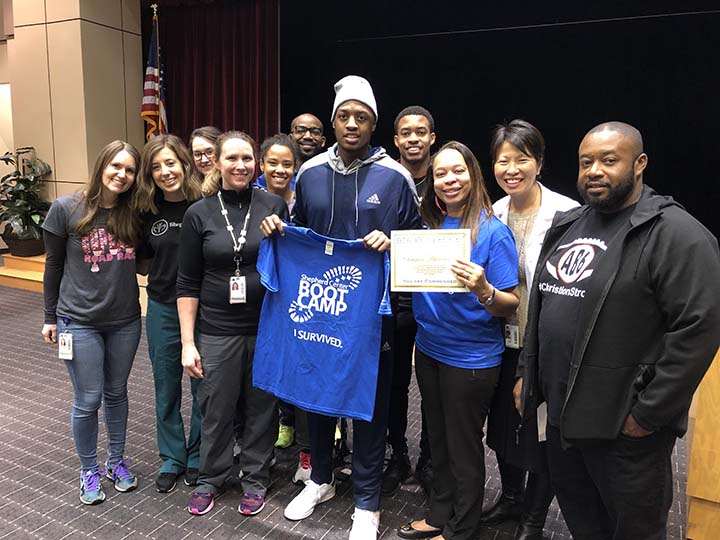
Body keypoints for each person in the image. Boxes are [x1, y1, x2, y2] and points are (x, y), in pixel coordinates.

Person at [514, 122, 720, 540]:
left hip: (624, 434)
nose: (594, 171)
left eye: (609, 161)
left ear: (639, 163)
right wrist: (526, 372)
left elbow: (699, 328)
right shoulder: (569, 224)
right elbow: (541, 305)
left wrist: (647, 415)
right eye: (586, 161)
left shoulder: (677, 235)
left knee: (633, 531)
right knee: (584, 523)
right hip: (561, 422)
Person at [260, 75, 422, 540]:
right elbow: (297, 236)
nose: (352, 124)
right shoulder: (309, 174)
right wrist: (277, 228)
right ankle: (321, 480)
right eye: (344, 116)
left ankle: (367, 502)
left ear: (374, 125)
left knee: (369, 404)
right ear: (333, 121)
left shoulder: (396, 178)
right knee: (319, 397)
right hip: (319, 309)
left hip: (374, 316)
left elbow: (416, 245)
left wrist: (394, 244)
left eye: (362, 118)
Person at [397, 141, 519, 540]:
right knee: (440, 441)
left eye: (458, 171)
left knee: (465, 449)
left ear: (473, 174)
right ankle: (438, 515)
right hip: (429, 350)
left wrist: (483, 288)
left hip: (471, 359)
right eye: (441, 173)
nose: (449, 180)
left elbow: (509, 304)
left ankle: (461, 530)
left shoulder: (492, 232)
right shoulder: (428, 227)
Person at [177, 131, 289, 517]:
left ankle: (255, 478)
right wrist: (188, 342)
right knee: (215, 408)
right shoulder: (199, 213)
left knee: (261, 408)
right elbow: (187, 283)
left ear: (255, 163)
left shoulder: (274, 204)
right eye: (232, 159)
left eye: (247, 159)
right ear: (218, 163)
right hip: (216, 329)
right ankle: (211, 477)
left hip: (265, 327)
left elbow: (287, 266)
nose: (240, 166)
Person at [482, 120, 579, 540]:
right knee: (504, 424)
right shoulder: (491, 212)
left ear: (538, 162)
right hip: (499, 339)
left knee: (542, 432)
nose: (512, 168)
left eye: (522, 158)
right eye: (503, 160)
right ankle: (511, 498)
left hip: (545, 345)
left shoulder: (569, 214)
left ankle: (534, 518)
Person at [41, 140, 142, 505]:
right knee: (88, 398)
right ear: (101, 165)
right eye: (116, 166)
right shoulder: (66, 208)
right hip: (78, 320)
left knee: (117, 392)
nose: (122, 175)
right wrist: (49, 317)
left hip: (125, 320)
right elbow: (53, 266)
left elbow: (148, 259)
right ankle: (89, 469)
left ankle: (116, 461)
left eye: (130, 170)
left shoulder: (134, 213)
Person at [134, 134, 204, 493]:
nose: (165, 172)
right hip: (161, 306)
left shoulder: (204, 204)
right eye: (156, 166)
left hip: (203, 310)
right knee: (166, 385)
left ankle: (196, 455)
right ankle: (172, 456)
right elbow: (143, 263)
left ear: (184, 163)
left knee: (202, 386)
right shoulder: (147, 210)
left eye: (170, 163)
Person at [382, 105, 437, 496]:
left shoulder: (449, 177)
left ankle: (431, 459)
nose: (414, 138)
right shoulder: (386, 179)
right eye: (406, 133)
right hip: (397, 298)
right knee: (394, 382)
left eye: (421, 132)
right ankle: (396, 453)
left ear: (432, 137)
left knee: (435, 384)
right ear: (396, 140)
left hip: (438, 300)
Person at [255, 113, 326, 191]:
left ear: (323, 141)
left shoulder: (330, 174)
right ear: (290, 138)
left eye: (315, 132)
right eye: (301, 131)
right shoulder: (277, 175)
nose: (308, 136)